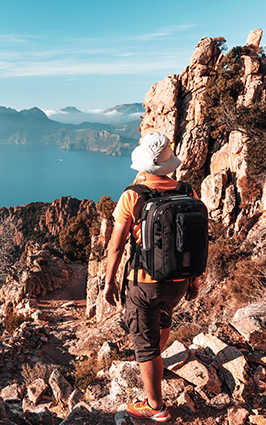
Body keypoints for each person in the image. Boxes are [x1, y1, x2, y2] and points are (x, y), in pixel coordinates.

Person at [104, 132, 200, 422]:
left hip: (144, 284)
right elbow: (194, 241)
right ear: (169, 164)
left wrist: (109, 282)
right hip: (179, 281)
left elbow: (117, 245)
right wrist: (194, 280)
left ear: (144, 165)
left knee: (144, 344)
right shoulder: (189, 192)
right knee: (164, 320)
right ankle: (156, 365)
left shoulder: (133, 195)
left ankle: (155, 407)